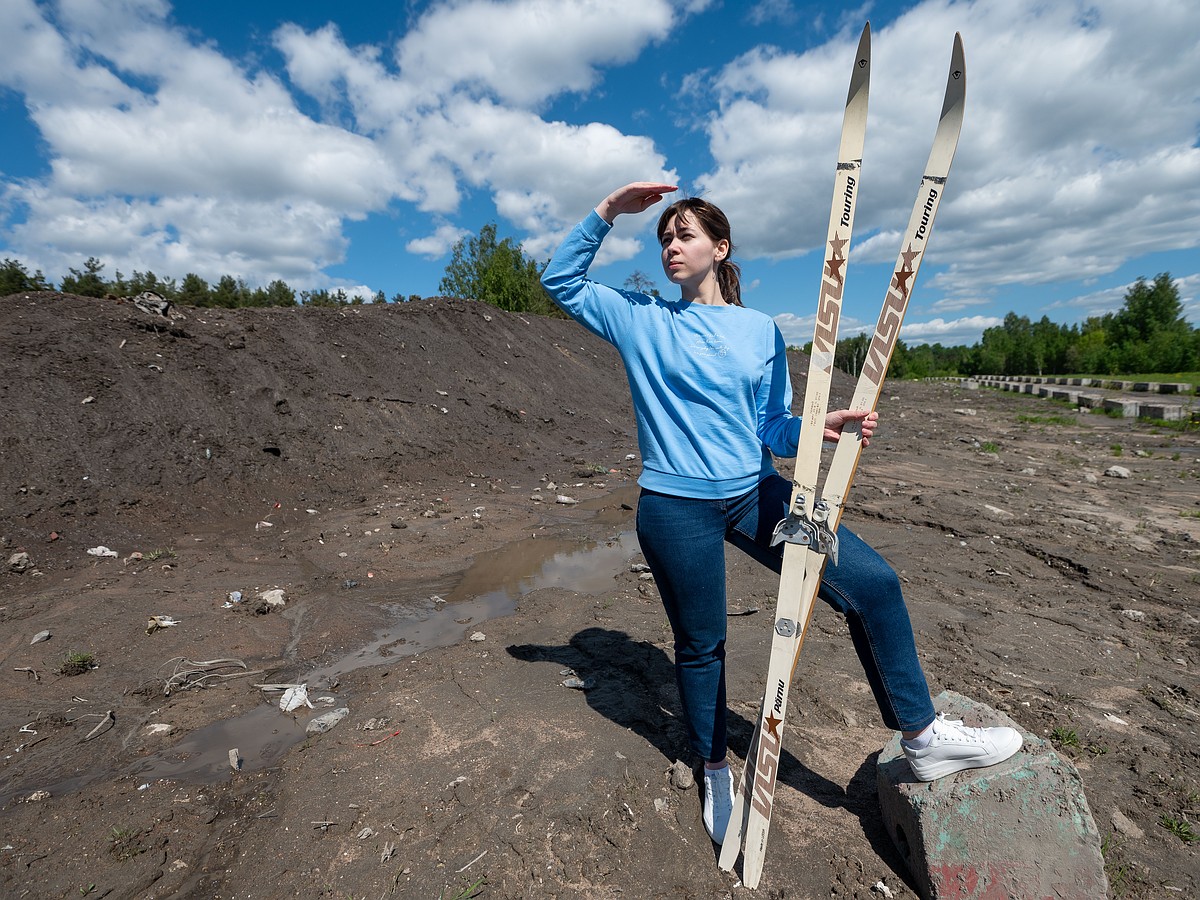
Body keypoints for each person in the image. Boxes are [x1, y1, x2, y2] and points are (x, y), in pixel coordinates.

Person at [540, 181, 1022, 844]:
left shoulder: (759, 330)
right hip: (676, 509)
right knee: (702, 645)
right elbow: (559, 278)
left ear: (720, 246)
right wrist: (609, 212)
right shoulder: (641, 318)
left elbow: (771, 427)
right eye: (664, 239)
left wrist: (820, 426)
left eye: (683, 235)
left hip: (758, 497)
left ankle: (923, 734)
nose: (671, 247)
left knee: (872, 584)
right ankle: (714, 770)